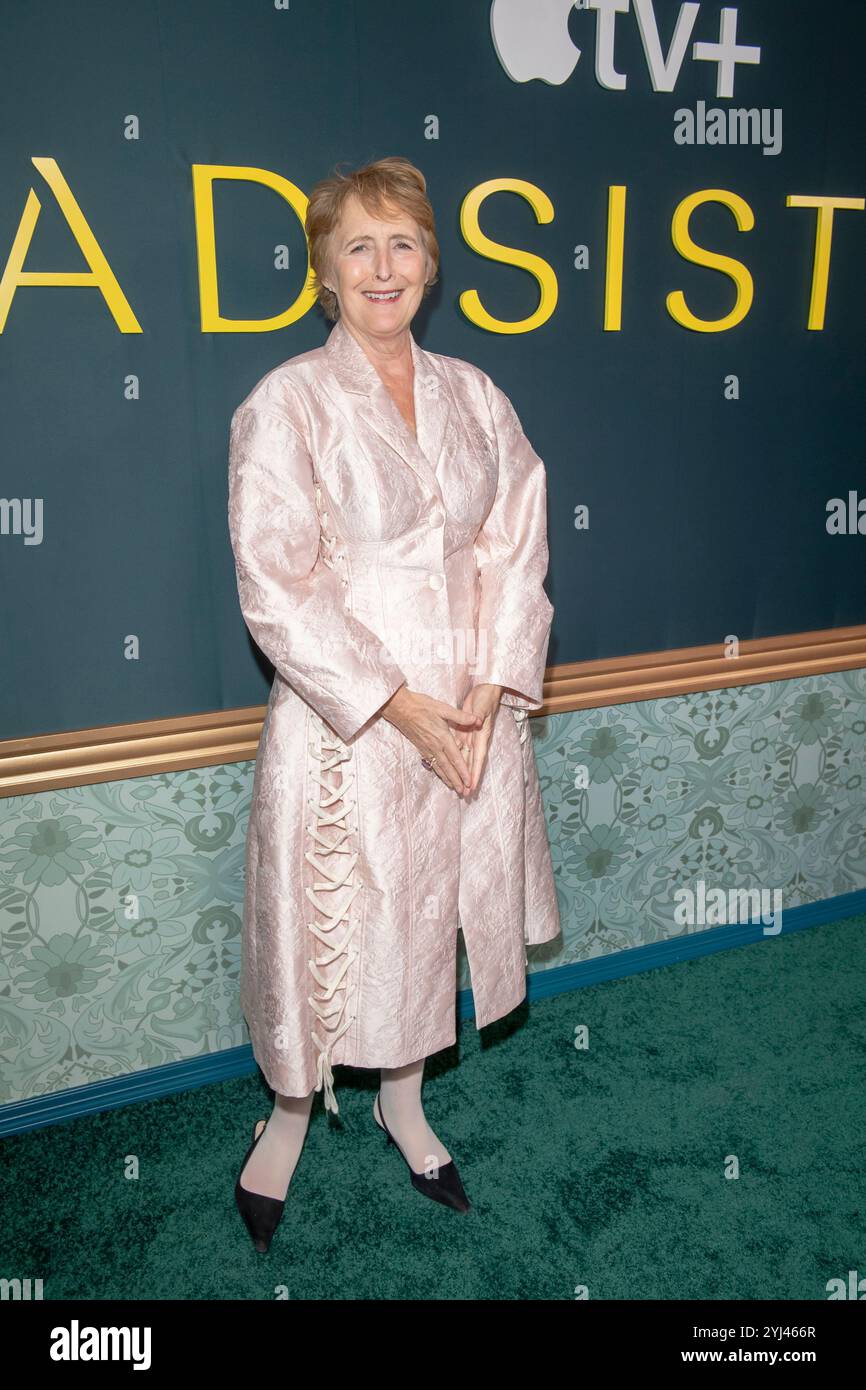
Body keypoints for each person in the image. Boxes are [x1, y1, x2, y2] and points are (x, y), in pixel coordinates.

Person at [227, 155, 560, 1250]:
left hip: (468, 703)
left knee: (429, 911)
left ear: (430, 263)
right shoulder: (286, 401)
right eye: (357, 246)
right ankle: (287, 1112)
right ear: (324, 269)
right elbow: (276, 585)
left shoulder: (476, 393)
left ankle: (403, 1099)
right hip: (347, 715)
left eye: (402, 243)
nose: (383, 266)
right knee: (332, 916)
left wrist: (486, 684)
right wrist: (396, 705)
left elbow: (517, 545)